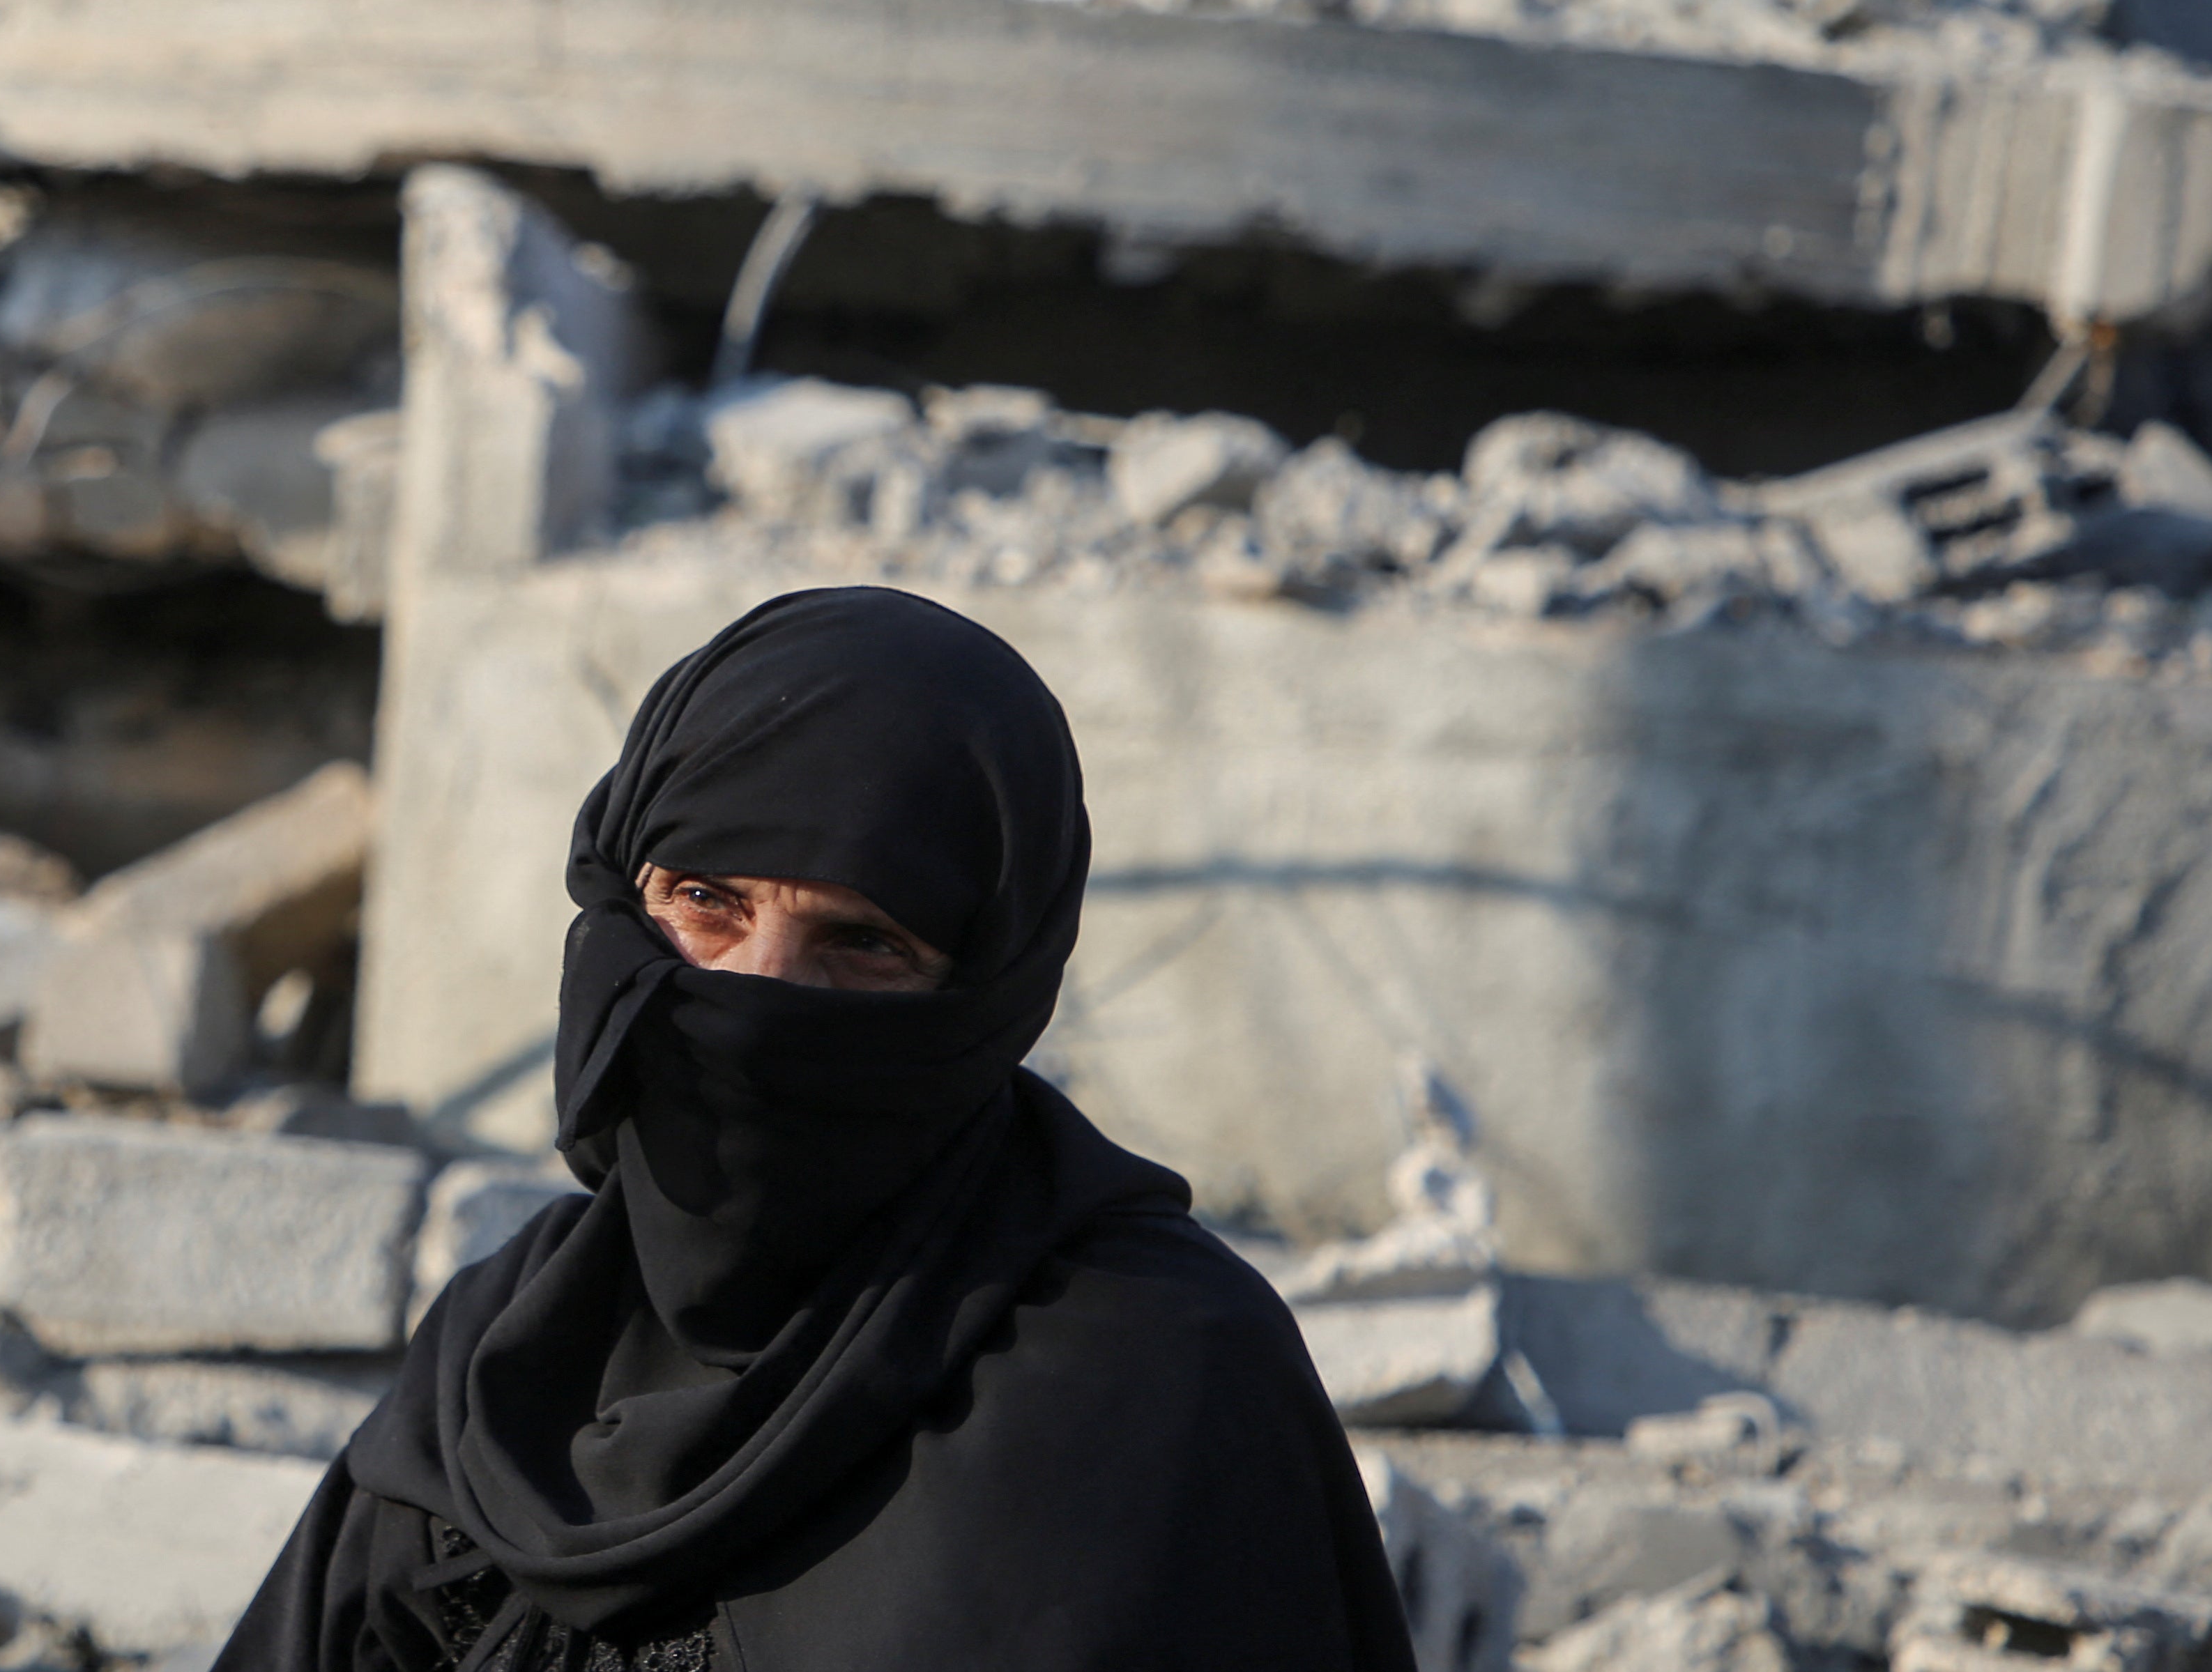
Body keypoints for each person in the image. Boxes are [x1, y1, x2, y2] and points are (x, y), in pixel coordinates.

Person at [218, 585, 1420, 1672]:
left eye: (863, 943)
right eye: (705, 902)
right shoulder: (507, 1347)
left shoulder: (1153, 1382)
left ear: (986, 993)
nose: (757, 996)